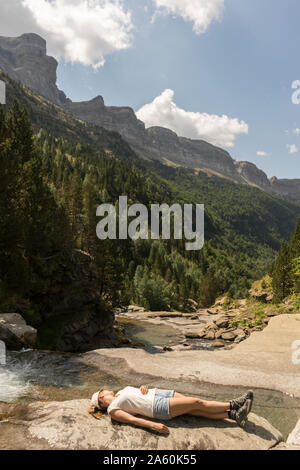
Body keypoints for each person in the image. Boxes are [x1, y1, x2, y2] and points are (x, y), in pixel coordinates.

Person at [88, 385, 253, 435]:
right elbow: (133, 420)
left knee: (193, 408)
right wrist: (153, 426)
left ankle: (233, 415)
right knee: (197, 402)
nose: (107, 389)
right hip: (156, 407)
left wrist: (143, 387)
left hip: (157, 393)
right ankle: (233, 404)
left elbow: (138, 391)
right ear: (101, 396)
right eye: (103, 390)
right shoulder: (112, 409)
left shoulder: (121, 391)